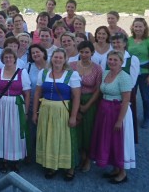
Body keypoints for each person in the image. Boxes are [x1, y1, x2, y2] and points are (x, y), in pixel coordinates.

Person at [32, 48, 81, 181]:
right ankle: (51, 165)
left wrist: (73, 116)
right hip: (45, 110)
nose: (57, 59)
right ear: (51, 58)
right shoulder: (44, 73)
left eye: (60, 57)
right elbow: (37, 93)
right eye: (55, 57)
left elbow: (76, 97)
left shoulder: (72, 75)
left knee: (64, 138)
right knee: (49, 136)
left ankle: (69, 167)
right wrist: (35, 112)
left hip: (62, 111)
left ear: (65, 59)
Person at [90, 50, 133, 184]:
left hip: (118, 110)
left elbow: (126, 100)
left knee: (118, 140)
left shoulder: (124, 77)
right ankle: (115, 168)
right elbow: (101, 91)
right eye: (110, 59)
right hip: (105, 110)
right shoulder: (106, 73)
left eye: (116, 60)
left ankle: (122, 172)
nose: (112, 62)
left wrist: (120, 120)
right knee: (108, 139)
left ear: (121, 62)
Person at [0, 48, 31, 173]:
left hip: (17, 105)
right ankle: (4, 160)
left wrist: (26, 111)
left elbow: (27, 93)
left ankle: (16, 159)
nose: (8, 59)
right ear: (2, 59)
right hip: (1, 105)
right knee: (2, 130)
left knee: (16, 131)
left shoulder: (22, 73)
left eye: (10, 57)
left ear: (15, 59)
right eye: (6, 57)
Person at [69, 41, 102, 172]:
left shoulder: (97, 68)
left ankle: (87, 159)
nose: (84, 54)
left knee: (88, 131)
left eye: (87, 52)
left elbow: (98, 90)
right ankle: (78, 157)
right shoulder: (71, 66)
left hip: (89, 101)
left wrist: (87, 106)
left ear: (92, 53)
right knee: (75, 130)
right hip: (73, 99)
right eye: (81, 52)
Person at [128, 18, 149, 129]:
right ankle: (131, 117)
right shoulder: (129, 40)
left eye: (140, 26)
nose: (138, 28)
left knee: (145, 96)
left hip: (144, 72)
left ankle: (147, 117)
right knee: (131, 96)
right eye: (136, 26)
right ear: (132, 27)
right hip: (132, 72)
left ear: (145, 27)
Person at [25, 44, 47, 162]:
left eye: (37, 52)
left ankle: (44, 156)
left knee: (45, 131)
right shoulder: (28, 66)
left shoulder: (52, 65)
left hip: (48, 103)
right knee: (31, 130)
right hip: (32, 102)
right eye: (33, 53)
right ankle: (29, 154)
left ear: (43, 52)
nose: (35, 54)